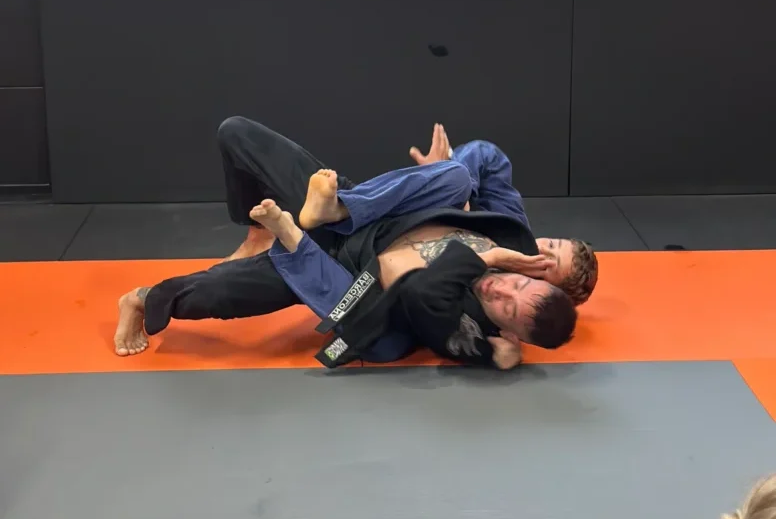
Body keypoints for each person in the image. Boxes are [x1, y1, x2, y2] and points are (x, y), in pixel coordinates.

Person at [113, 160, 578, 368]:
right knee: (236, 132)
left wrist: (486, 262)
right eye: (520, 286)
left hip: (339, 275)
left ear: (510, 333)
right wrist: (448, 161)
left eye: (509, 307)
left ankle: (140, 300)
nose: (503, 289)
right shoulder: (516, 243)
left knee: (220, 294)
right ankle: (293, 222)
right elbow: (491, 163)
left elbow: (418, 291)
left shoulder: (475, 333)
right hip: (361, 219)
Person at [220, 118, 598, 305]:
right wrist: (446, 175)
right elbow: (489, 156)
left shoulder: (498, 302)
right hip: (360, 210)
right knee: (234, 132)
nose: (539, 252)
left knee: (212, 289)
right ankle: (266, 230)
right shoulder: (513, 227)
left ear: (546, 294)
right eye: (552, 245)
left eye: (548, 266)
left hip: (345, 263)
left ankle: (326, 215)